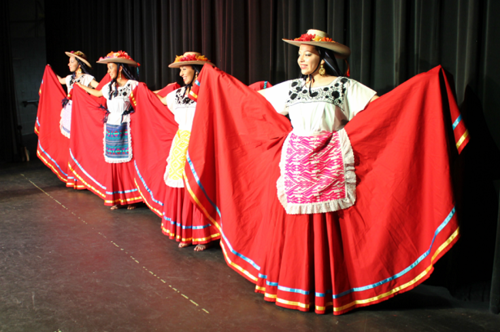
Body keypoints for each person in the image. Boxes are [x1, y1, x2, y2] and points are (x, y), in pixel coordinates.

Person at [183, 29, 465, 315]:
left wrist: (424, 89)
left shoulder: (344, 87)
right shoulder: (291, 87)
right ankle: (293, 284)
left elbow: (387, 110)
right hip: (295, 166)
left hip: (329, 166)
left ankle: (329, 289)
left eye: (307, 54)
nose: (300, 59)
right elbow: (248, 102)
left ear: (322, 58)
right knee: (294, 229)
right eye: (299, 54)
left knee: (326, 229)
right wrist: (217, 80)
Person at [157, 52, 220, 251]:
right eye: (180, 69)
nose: (181, 73)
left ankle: (201, 234)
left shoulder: (208, 92)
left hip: (200, 142)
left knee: (198, 186)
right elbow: (157, 101)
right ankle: (185, 232)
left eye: (185, 69)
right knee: (181, 187)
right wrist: (139, 91)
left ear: (197, 71)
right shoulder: (176, 95)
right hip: (181, 142)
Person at [76, 51, 142, 210]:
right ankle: (116, 198)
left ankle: (130, 198)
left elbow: (147, 98)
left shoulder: (133, 85)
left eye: (110, 67)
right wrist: (80, 87)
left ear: (119, 68)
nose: (108, 71)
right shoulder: (108, 87)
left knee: (127, 162)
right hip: (111, 125)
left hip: (126, 124)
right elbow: (97, 93)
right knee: (114, 164)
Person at [57, 51, 99, 138]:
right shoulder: (69, 78)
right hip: (70, 110)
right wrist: (49, 71)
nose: (69, 64)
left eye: (72, 62)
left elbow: (99, 88)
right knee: (71, 137)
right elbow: (60, 80)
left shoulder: (86, 78)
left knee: (81, 136)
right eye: (69, 62)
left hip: (81, 111)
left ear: (79, 64)